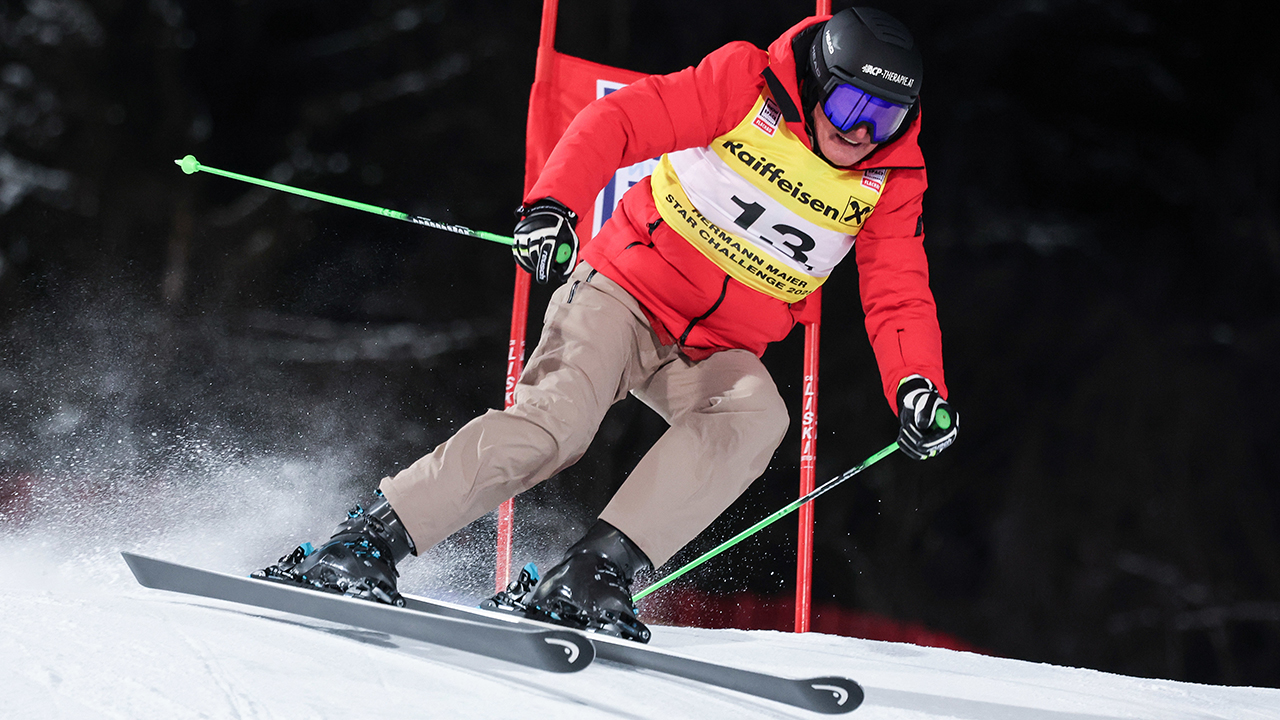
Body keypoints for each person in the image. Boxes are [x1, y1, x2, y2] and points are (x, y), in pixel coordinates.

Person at [256, 7, 958, 643]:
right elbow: (619, 121)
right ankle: (367, 542)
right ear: (815, 81)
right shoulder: (745, 84)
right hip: (624, 291)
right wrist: (551, 205)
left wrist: (919, 387)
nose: (860, 131)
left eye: (885, 117)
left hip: (717, 347)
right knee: (557, 427)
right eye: (849, 103)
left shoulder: (893, 178)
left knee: (755, 416)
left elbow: (898, 293)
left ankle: (592, 572)